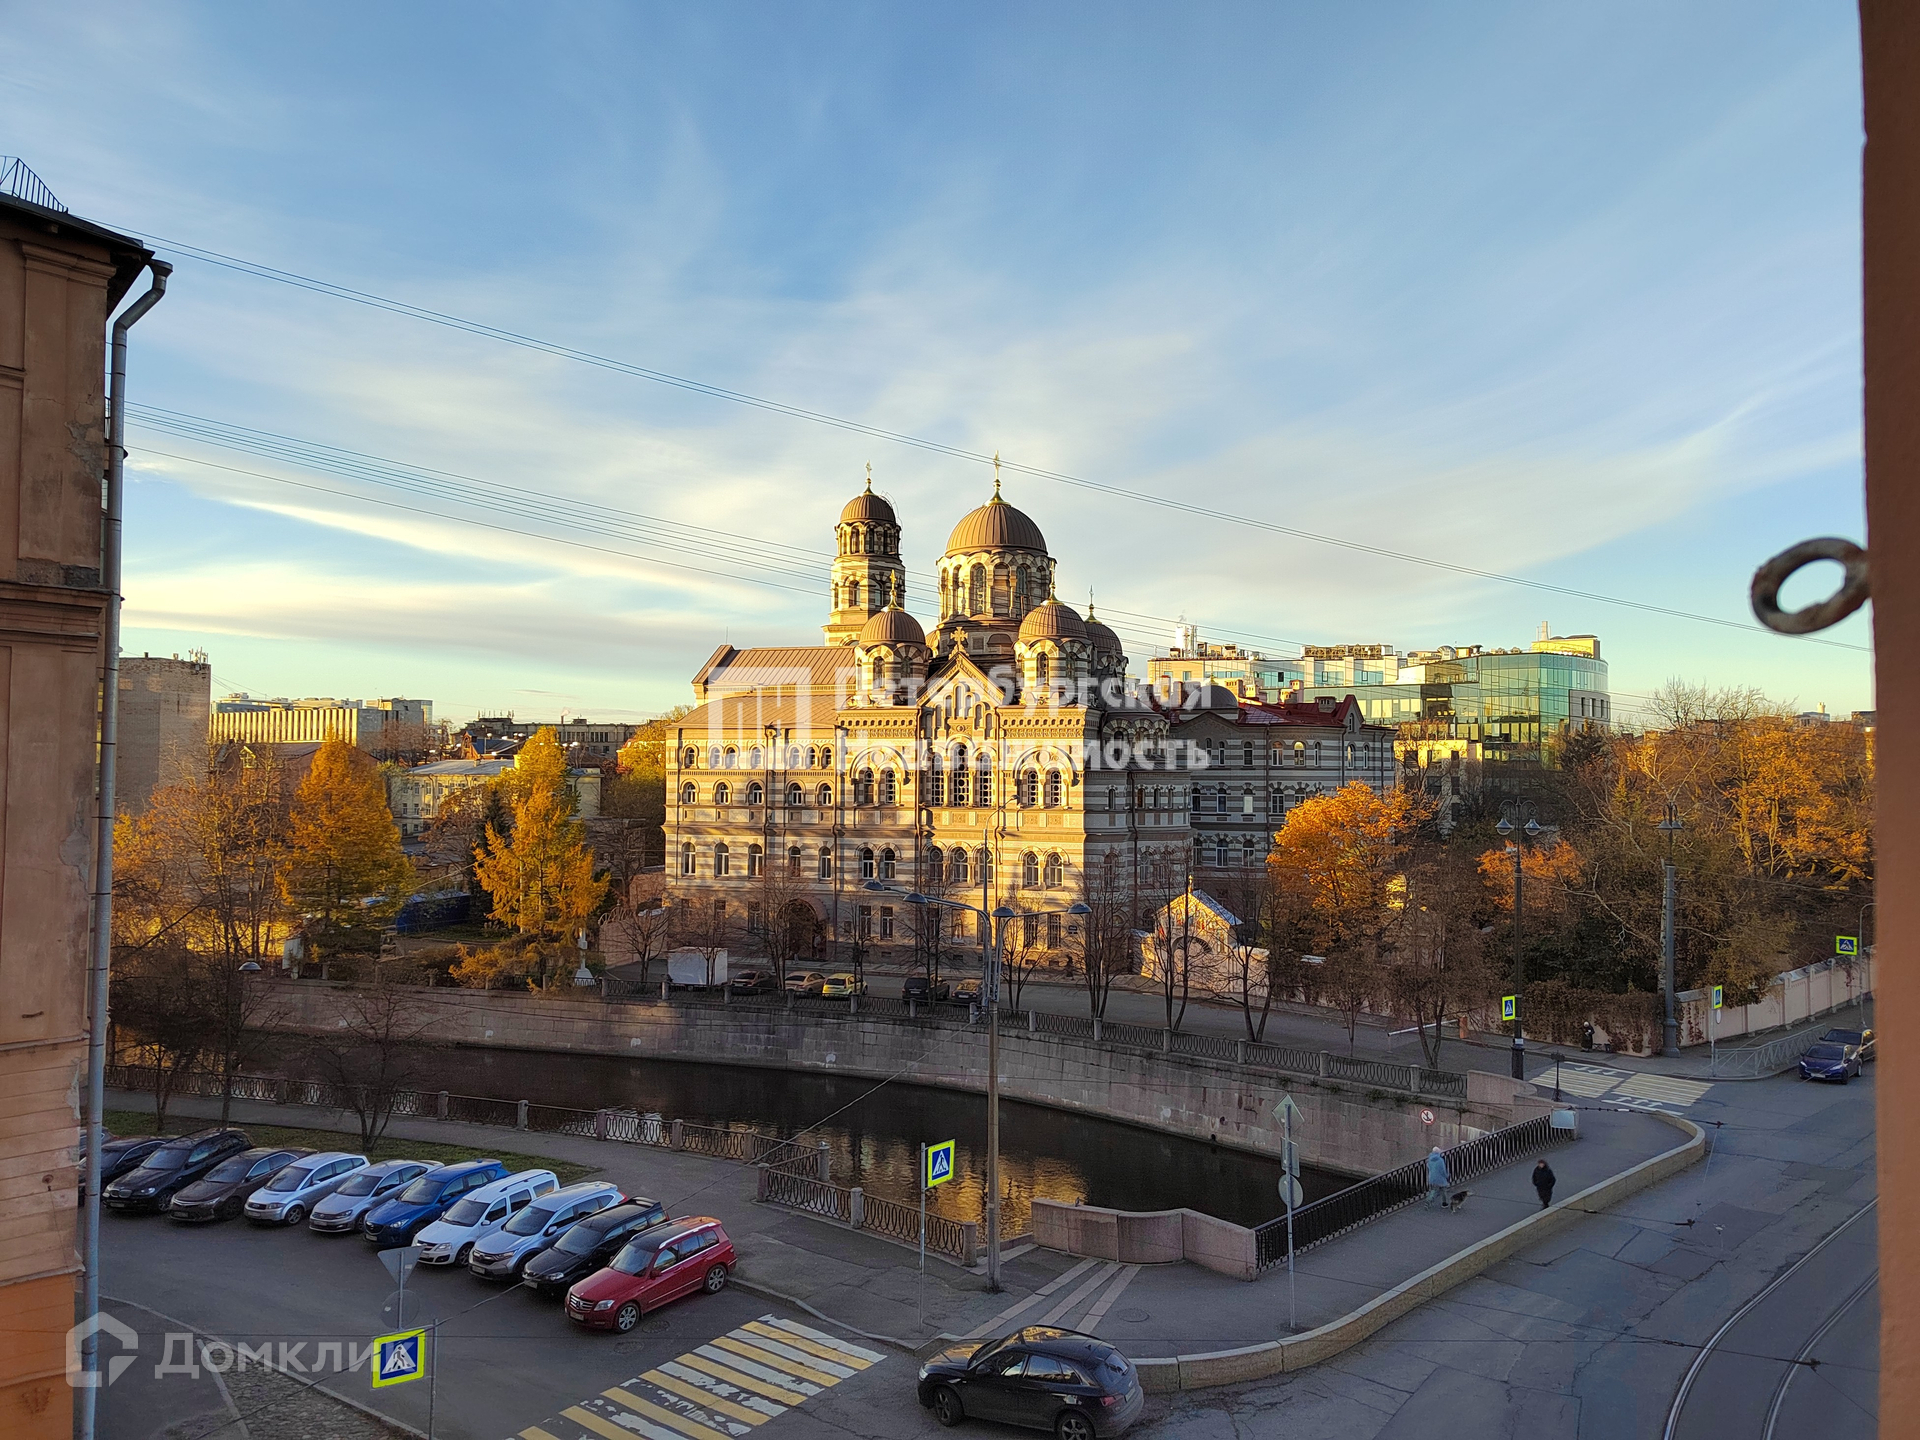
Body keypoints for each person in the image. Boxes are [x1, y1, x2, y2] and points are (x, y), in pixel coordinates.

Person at [1425, 1147, 1451, 1211]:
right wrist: (1446, 1176)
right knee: (1443, 1190)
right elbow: (1443, 1170)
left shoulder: (1429, 1159)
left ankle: (1429, 1200)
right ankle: (1444, 1203)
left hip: (1432, 1177)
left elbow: (1429, 1167)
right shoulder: (1440, 1160)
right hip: (1441, 1178)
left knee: (1433, 1190)